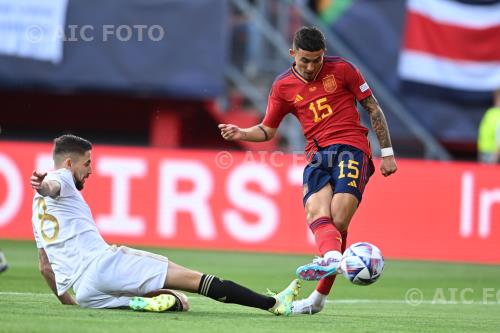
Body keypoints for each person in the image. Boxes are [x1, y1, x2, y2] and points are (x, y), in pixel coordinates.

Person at [219, 26, 397, 314]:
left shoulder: (343, 70)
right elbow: (267, 130)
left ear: (323, 54)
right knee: (317, 214)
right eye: (305, 60)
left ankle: (320, 290)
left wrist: (387, 153)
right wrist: (241, 132)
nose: (312, 66)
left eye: (317, 59)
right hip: (317, 156)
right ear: (293, 54)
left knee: (338, 220)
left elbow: (373, 108)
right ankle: (329, 267)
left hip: (351, 147)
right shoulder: (283, 86)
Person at [30, 134, 301, 315]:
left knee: (178, 301)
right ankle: (275, 304)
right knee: (195, 281)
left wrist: (70, 304)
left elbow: (45, 267)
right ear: (68, 163)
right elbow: (51, 186)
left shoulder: (35, 210)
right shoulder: (62, 178)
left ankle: (147, 302)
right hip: (104, 264)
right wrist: (43, 184)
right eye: (87, 163)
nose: (91, 170)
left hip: (86, 293)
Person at [478, 88, 500, 164]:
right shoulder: (491, 112)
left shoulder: (497, 115)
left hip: (494, 153)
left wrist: (495, 157)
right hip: (484, 150)